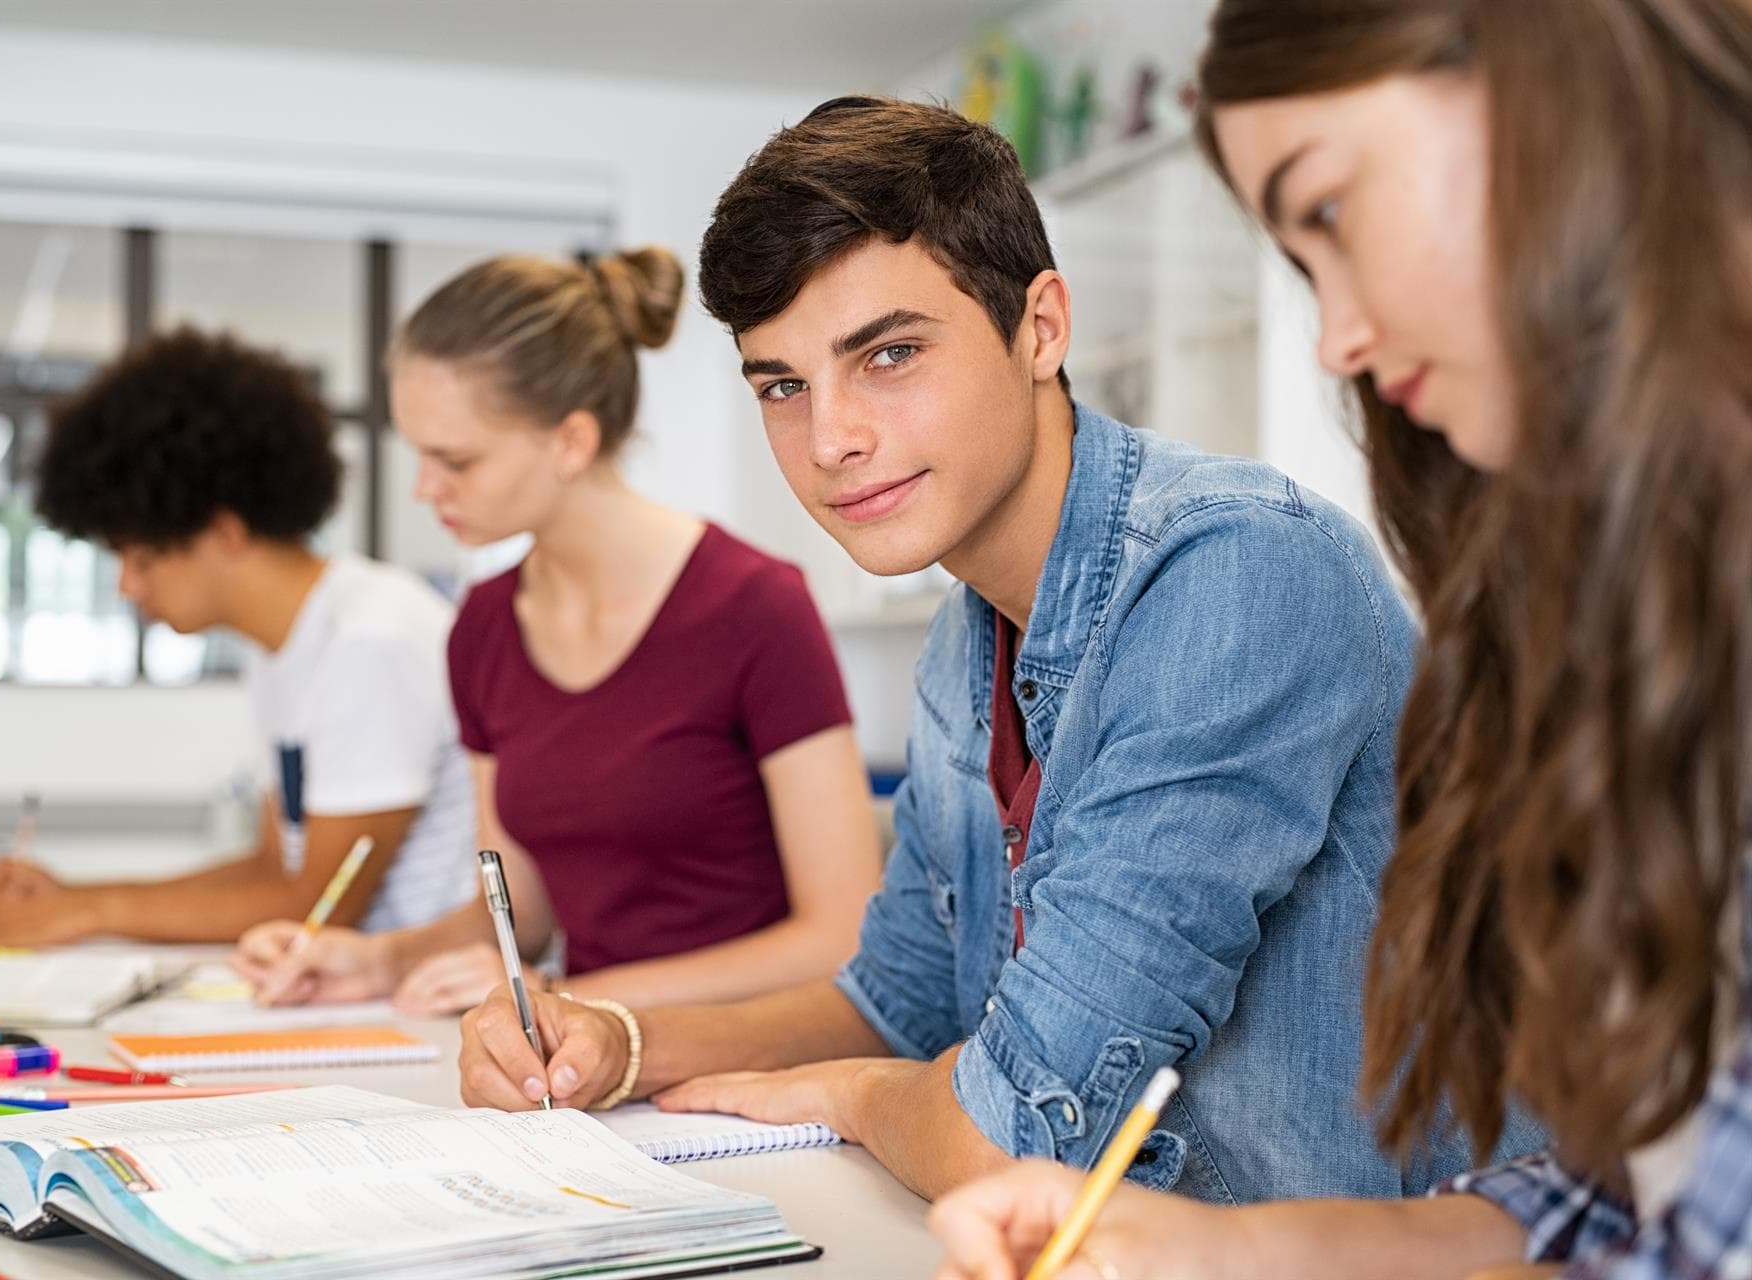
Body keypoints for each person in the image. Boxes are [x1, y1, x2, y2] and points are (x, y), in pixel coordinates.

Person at [452, 97, 1541, 1203]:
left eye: (888, 354)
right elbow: (898, 1000)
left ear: (1042, 327)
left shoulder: (1238, 574)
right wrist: (618, 1039)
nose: (830, 438)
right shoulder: (962, 644)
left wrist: (858, 1094)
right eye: (783, 384)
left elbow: (1021, 1131)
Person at [930, 1, 1752, 1276]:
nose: (1337, 339)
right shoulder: (1654, 605)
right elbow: (1649, 1189)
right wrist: (1228, 1250)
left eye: (1328, 215)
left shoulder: (1236, 565)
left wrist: (852, 1095)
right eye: (1303, 265)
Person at [233, 246, 883, 1017]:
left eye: (455, 459)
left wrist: (568, 996)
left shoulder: (756, 607)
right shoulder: (482, 629)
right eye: (419, 453)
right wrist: (377, 960)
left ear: (570, 442)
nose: (424, 488)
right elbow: (520, 915)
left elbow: (840, 935)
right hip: (581, 1063)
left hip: (749, 1064)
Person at [0, 328, 476, 947]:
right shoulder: (285, 650)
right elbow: (272, 870)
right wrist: (77, 900)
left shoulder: (371, 638)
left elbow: (319, 904)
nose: (126, 586)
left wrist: (93, 913)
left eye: (142, 558)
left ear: (224, 532)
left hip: (425, 1001)